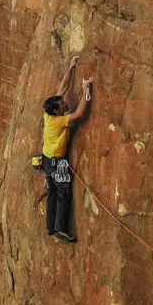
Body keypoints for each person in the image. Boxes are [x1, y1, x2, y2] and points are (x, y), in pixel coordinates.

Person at [41, 55, 92, 243]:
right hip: (56, 163)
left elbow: (62, 88)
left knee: (53, 193)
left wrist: (71, 67)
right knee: (63, 192)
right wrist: (86, 90)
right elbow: (79, 113)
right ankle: (61, 229)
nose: (64, 103)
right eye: (61, 105)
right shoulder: (57, 121)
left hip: (47, 161)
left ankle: (50, 227)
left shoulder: (49, 114)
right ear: (56, 111)